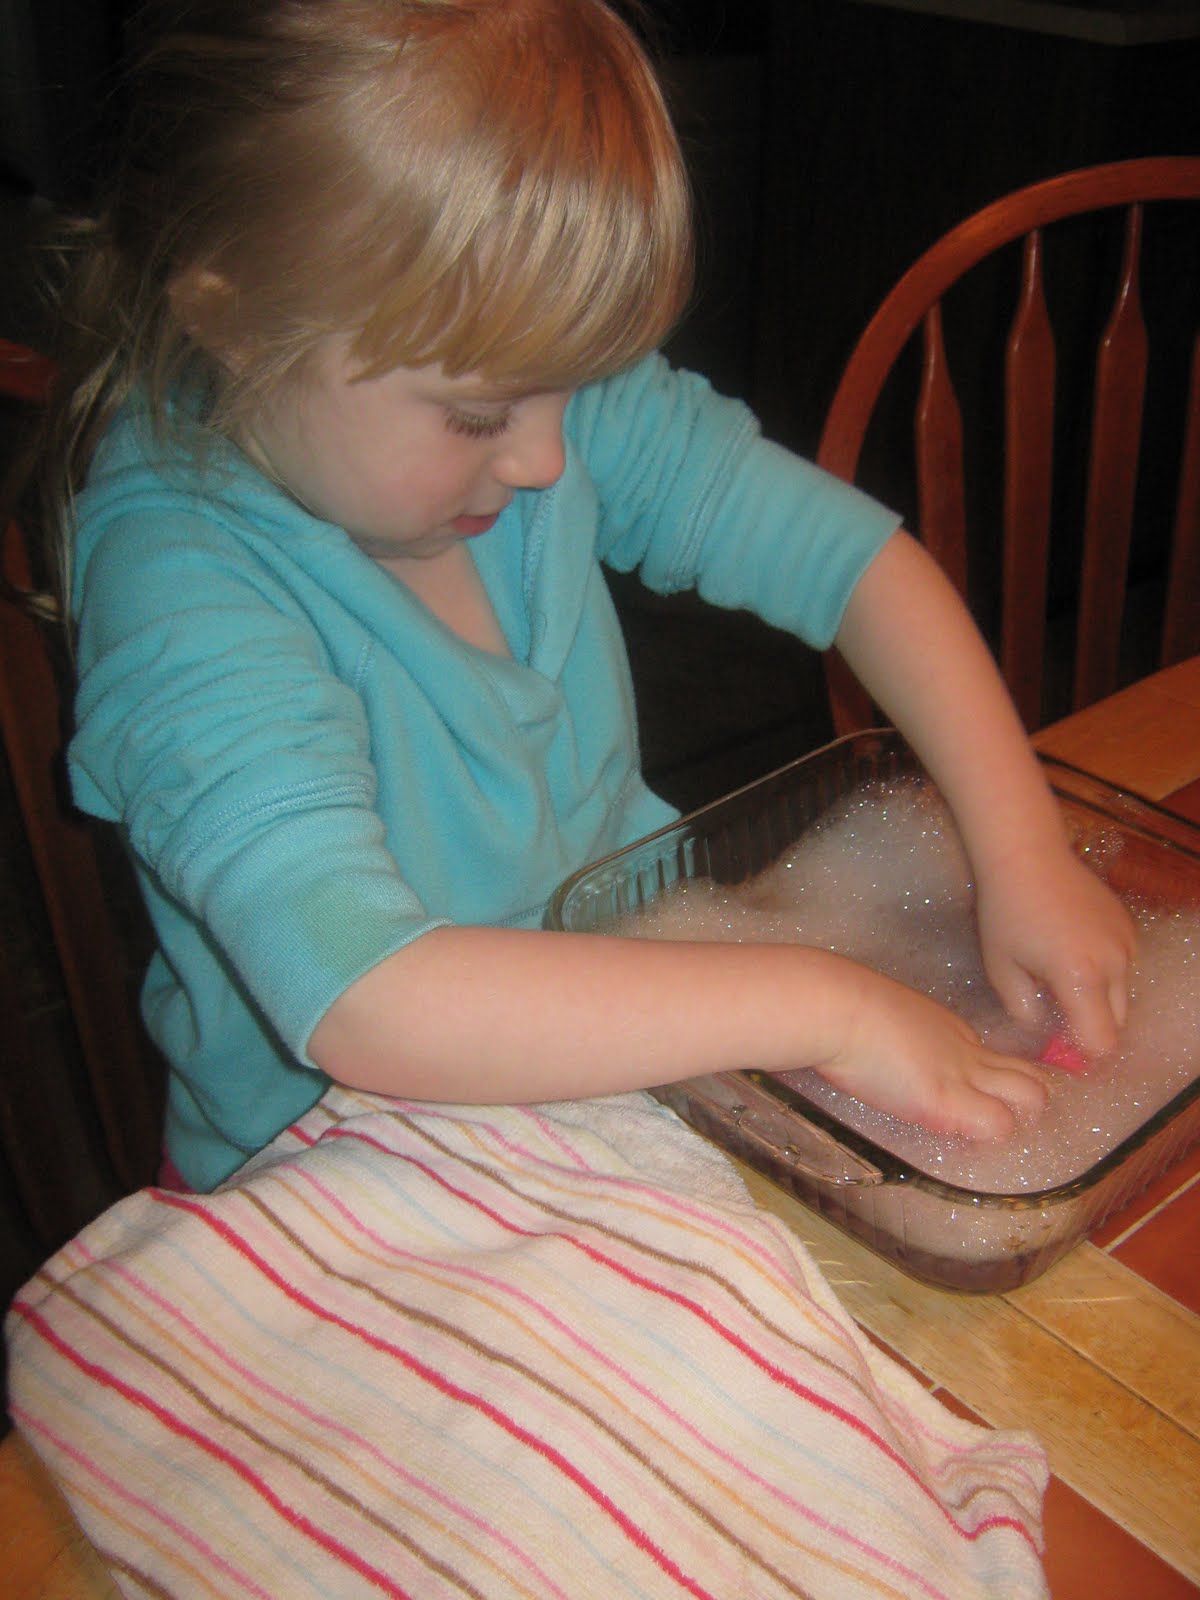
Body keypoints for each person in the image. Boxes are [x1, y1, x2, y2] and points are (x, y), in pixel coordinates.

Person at [18, 0, 1132, 1194]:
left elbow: (852, 563)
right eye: (479, 415)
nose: (550, 459)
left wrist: (1023, 850)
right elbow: (371, 998)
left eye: (578, 384)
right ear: (235, 320)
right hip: (335, 1185)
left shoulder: (514, 381)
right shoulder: (180, 583)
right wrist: (830, 1006)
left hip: (617, 1073)